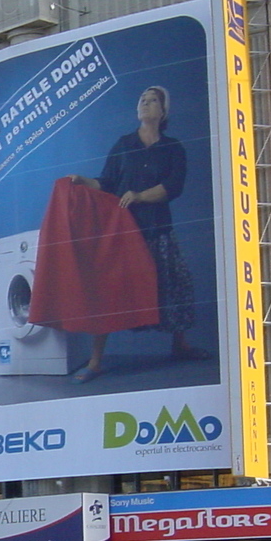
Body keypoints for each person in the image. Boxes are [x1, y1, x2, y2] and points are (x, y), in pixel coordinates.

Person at [72, 86, 206, 382]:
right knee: (107, 292)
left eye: (153, 100)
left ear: (163, 111)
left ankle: (180, 345)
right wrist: (83, 180)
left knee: (174, 284)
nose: (146, 104)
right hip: (124, 231)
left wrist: (141, 195)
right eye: (142, 99)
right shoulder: (124, 145)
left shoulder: (173, 148)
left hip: (158, 229)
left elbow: (174, 186)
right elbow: (107, 182)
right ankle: (95, 361)